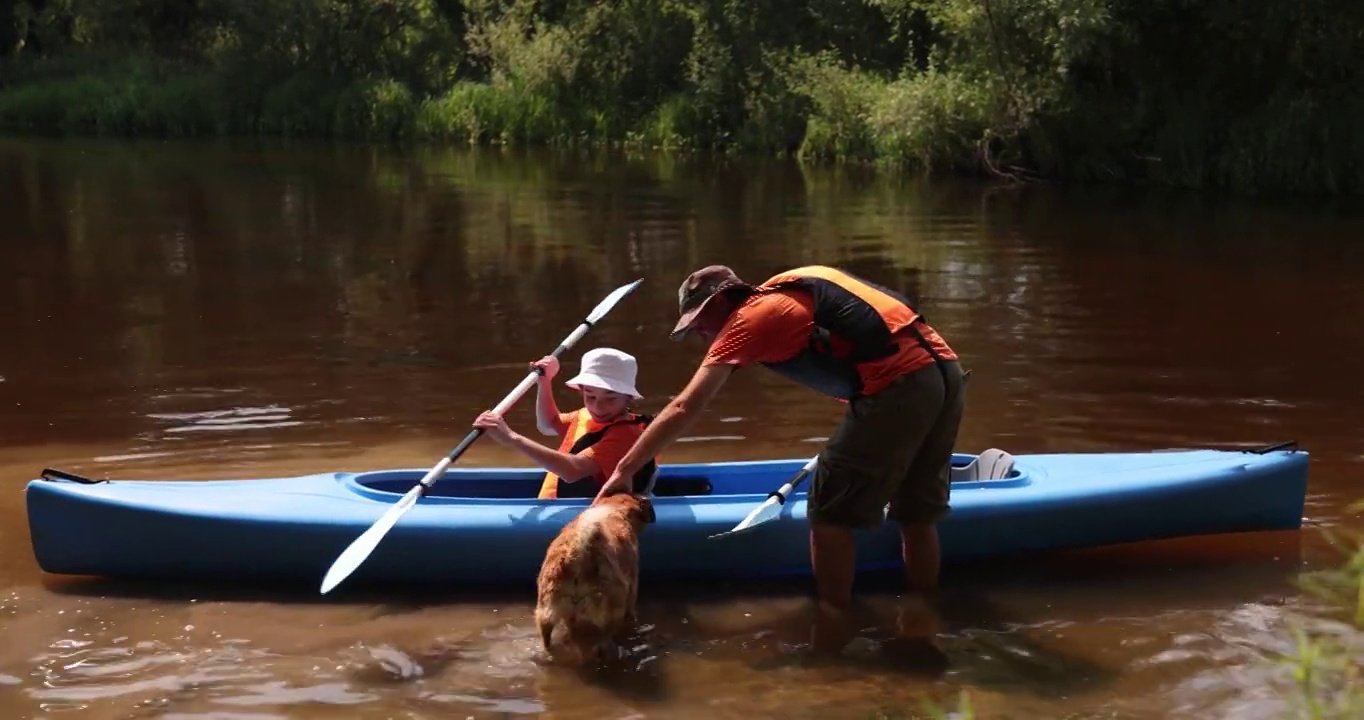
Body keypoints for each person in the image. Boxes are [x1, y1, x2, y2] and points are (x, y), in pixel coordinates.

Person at [595, 265, 966, 609]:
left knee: (828, 514)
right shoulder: (795, 287)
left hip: (898, 386)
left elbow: (684, 407)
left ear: (723, 300)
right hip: (945, 373)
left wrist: (625, 469)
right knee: (917, 511)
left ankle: (833, 619)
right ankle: (924, 610)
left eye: (700, 322)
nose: (701, 334)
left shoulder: (750, 318)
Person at [473, 348, 658, 500]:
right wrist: (545, 382)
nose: (598, 407)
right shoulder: (584, 415)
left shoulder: (627, 434)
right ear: (582, 392)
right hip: (556, 507)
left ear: (628, 399)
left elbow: (573, 470)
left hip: (590, 519)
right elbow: (548, 424)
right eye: (590, 396)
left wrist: (512, 438)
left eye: (610, 399)